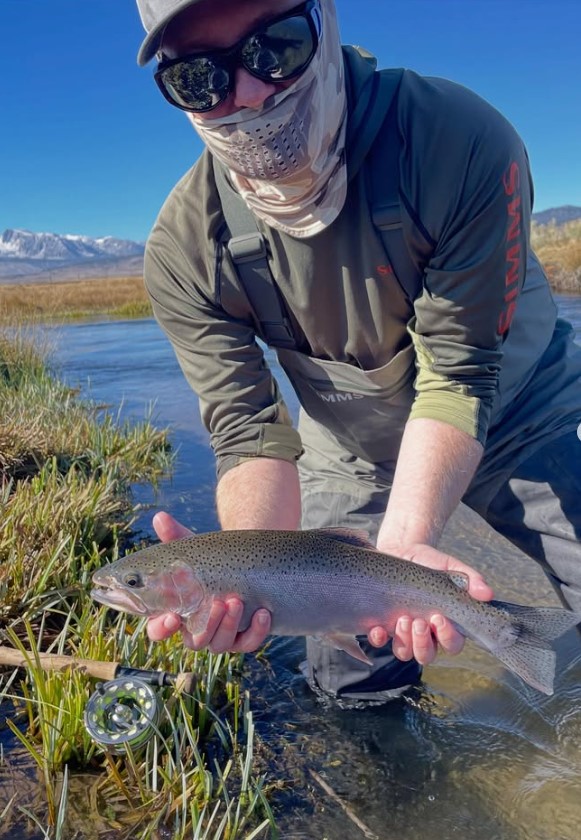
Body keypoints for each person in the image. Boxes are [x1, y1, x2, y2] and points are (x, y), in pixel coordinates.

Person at [133, 0, 581, 703]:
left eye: (272, 48)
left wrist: (405, 542)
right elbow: (250, 435)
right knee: (351, 679)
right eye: (199, 79)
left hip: (524, 401)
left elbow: (461, 374)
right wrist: (244, 579)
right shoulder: (185, 249)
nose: (246, 93)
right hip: (349, 445)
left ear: (322, 24)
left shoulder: (454, 137)